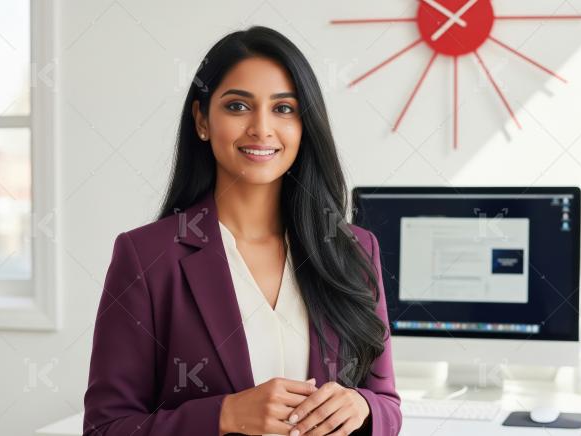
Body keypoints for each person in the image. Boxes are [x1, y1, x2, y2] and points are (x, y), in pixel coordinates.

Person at [83, 25, 401, 436]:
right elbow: (105, 428)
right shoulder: (146, 257)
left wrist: (363, 405)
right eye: (237, 106)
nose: (261, 128)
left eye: (284, 108)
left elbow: (388, 403)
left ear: (305, 126)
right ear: (202, 120)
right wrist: (224, 416)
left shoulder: (355, 249)